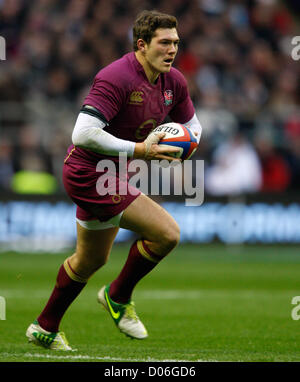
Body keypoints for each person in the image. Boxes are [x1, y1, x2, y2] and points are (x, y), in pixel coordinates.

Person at [26, 10, 202, 350]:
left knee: (90, 260)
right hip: (89, 173)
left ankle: (45, 326)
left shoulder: (174, 82)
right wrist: (140, 149)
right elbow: (82, 133)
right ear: (141, 45)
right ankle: (117, 296)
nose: (172, 50)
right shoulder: (116, 77)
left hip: (112, 174)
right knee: (167, 234)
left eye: (176, 43)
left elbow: (194, 126)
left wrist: (185, 148)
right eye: (164, 43)